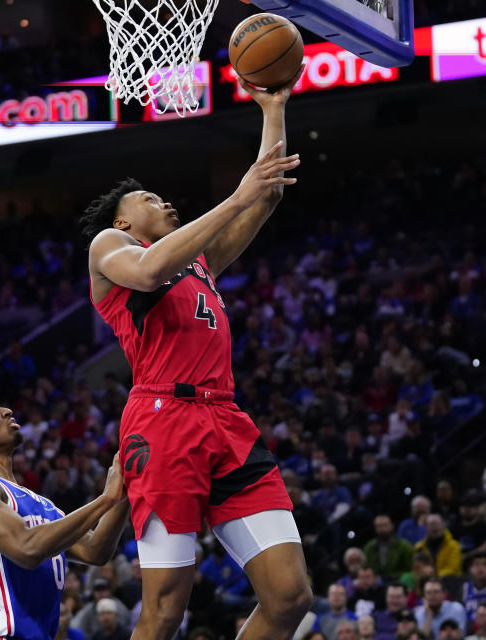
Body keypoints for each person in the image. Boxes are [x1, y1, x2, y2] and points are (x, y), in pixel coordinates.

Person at [82, 67, 313, 640]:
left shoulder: (198, 262)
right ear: (122, 219)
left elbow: (268, 194)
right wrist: (237, 194)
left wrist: (272, 107)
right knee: (165, 612)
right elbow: (152, 267)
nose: (163, 200)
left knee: (289, 597)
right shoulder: (112, 246)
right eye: (148, 198)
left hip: (225, 418)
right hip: (163, 421)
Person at [0, 387, 130, 640]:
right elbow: (26, 549)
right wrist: (106, 498)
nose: (7, 411)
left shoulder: (43, 504)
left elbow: (95, 550)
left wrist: (125, 488)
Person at [364, 515, 414, 581]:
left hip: (400, 581)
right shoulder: (370, 547)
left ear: (392, 526)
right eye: (379, 526)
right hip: (377, 583)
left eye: (385, 525)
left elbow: (410, 568)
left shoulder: (404, 546)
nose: (382, 529)